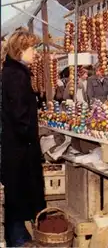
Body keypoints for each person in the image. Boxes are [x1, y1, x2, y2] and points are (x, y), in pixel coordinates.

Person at [1, 29, 46, 247]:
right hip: (19, 148)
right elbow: (19, 114)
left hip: (15, 145)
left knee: (16, 192)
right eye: (32, 48)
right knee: (19, 191)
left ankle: (16, 234)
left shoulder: (13, 72)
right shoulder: (16, 75)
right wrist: (30, 139)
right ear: (21, 50)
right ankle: (17, 237)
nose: (35, 53)